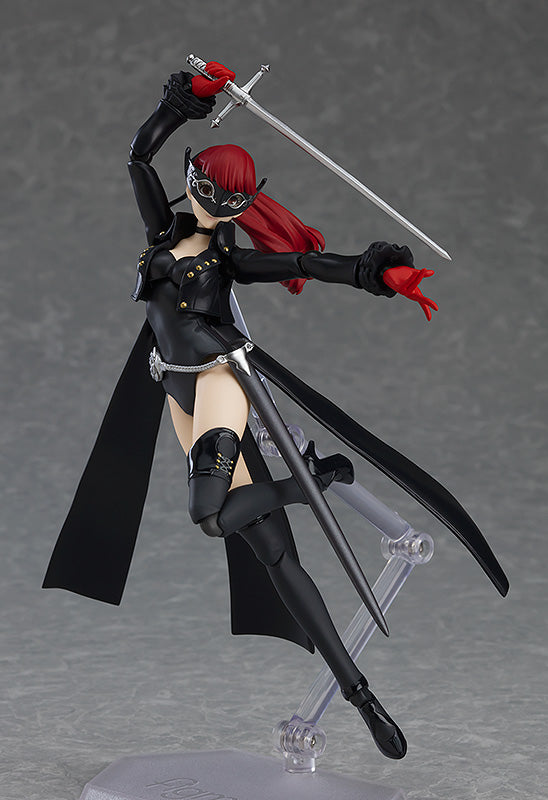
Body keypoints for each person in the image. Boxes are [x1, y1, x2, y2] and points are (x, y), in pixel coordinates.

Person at [43, 62, 446, 761]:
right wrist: (185, 101)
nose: (213, 208)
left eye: (229, 203)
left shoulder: (228, 261)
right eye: (205, 191)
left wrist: (375, 273)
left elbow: (304, 265)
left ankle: (314, 480)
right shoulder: (163, 230)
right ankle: (362, 699)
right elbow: (138, 156)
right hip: (173, 385)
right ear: (192, 178)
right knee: (275, 554)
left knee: (210, 516)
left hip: (219, 384)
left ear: (241, 206)